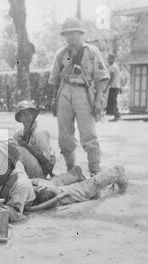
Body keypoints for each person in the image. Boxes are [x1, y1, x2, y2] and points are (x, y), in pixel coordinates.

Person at [0, 139, 128, 223]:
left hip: (45, 196)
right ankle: (75, 173)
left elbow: (16, 216)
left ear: (8, 161)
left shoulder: (20, 184)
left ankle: (116, 171)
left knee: (86, 189)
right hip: (35, 185)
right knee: (54, 181)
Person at [49, 17, 109, 176]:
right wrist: (55, 100)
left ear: (80, 33)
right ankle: (71, 171)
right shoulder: (61, 54)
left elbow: (101, 78)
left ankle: (95, 172)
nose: (71, 37)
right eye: (67, 34)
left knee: (89, 134)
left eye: (74, 33)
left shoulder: (91, 52)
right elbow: (55, 80)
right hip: (65, 92)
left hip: (84, 92)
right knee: (65, 136)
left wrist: (98, 100)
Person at [13, 100, 56, 178]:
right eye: (24, 114)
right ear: (19, 117)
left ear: (33, 115)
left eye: (30, 113)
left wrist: (28, 146)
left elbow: (47, 163)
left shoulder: (40, 132)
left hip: (40, 171)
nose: (28, 116)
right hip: (27, 169)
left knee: (20, 150)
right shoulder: (18, 133)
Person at [104, 54, 121, 121]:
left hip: (113, 86)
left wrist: (107, 87)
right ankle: (116, 114)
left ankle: (117, 115)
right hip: (115, 86)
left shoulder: (113, 67)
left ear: (113, 59)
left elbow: (112, 78)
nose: (108, 60)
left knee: (113, 101)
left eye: (109, 59)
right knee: (113, 101)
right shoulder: (115, 66)